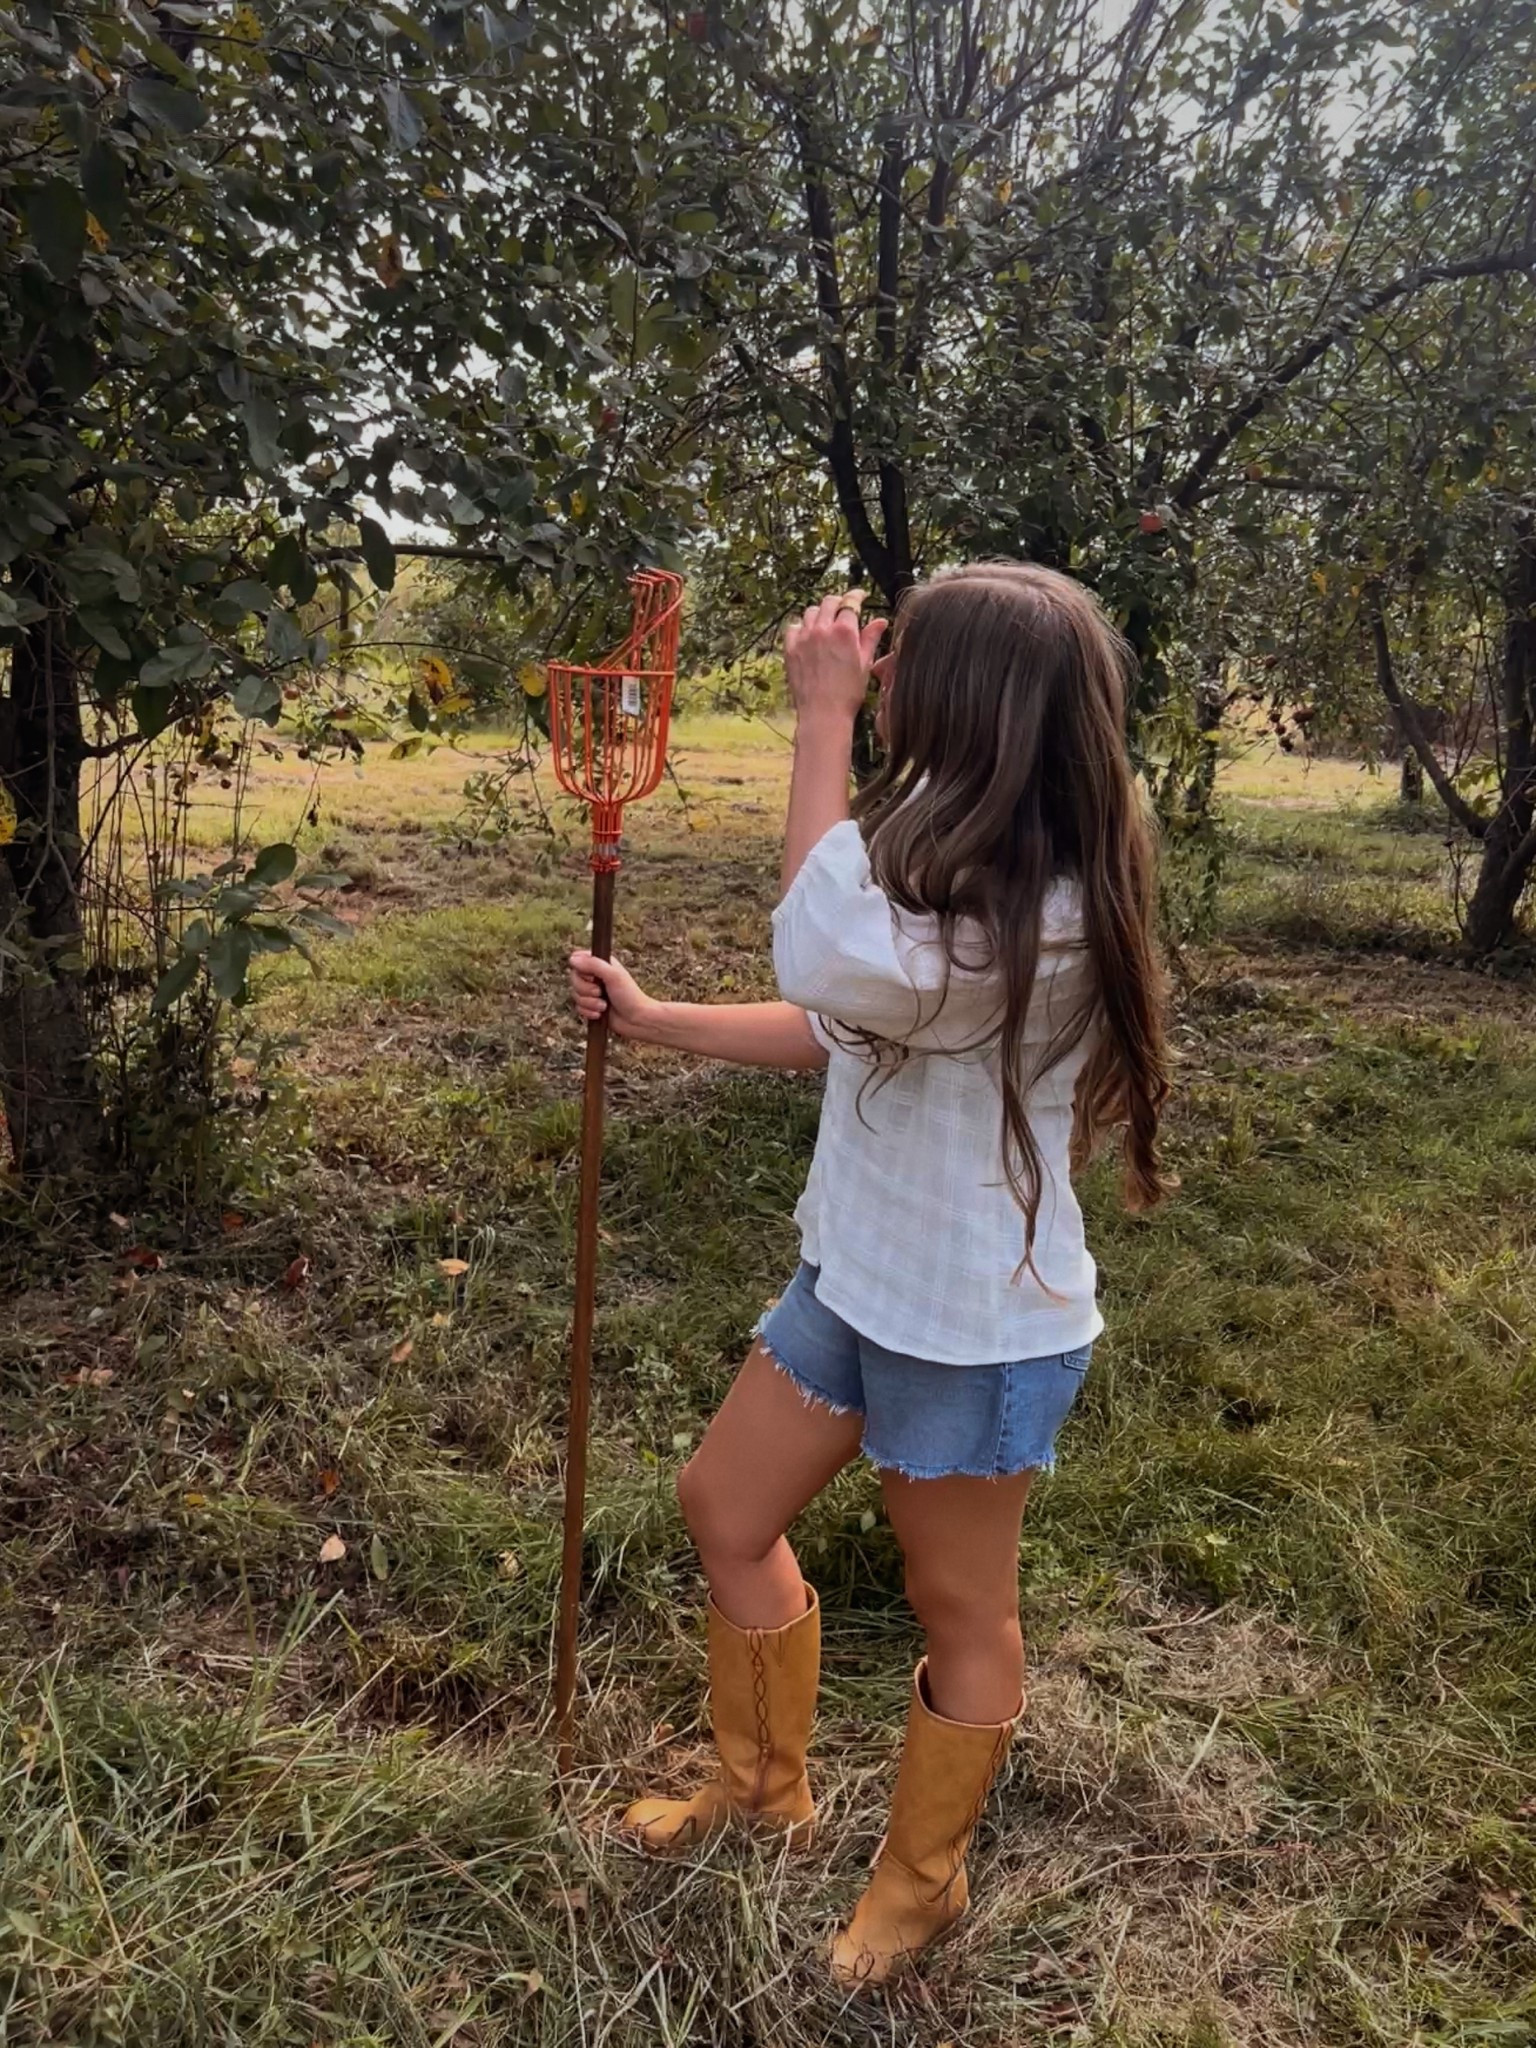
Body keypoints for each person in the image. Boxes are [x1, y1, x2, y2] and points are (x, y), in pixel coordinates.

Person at [567, 564, 1170, 1990]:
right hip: (856, 1277)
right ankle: (764, 1790)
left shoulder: (1060, 910)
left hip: (971, 1328)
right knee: (725, 1503)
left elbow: (827, 948)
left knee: (963, 1611)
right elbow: (856, 1017)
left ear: (972, 707)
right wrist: (660, 1024)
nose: (883, 682)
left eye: (906, 671)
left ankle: (920, 1886)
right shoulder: (966, 863)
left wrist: (820, 720)